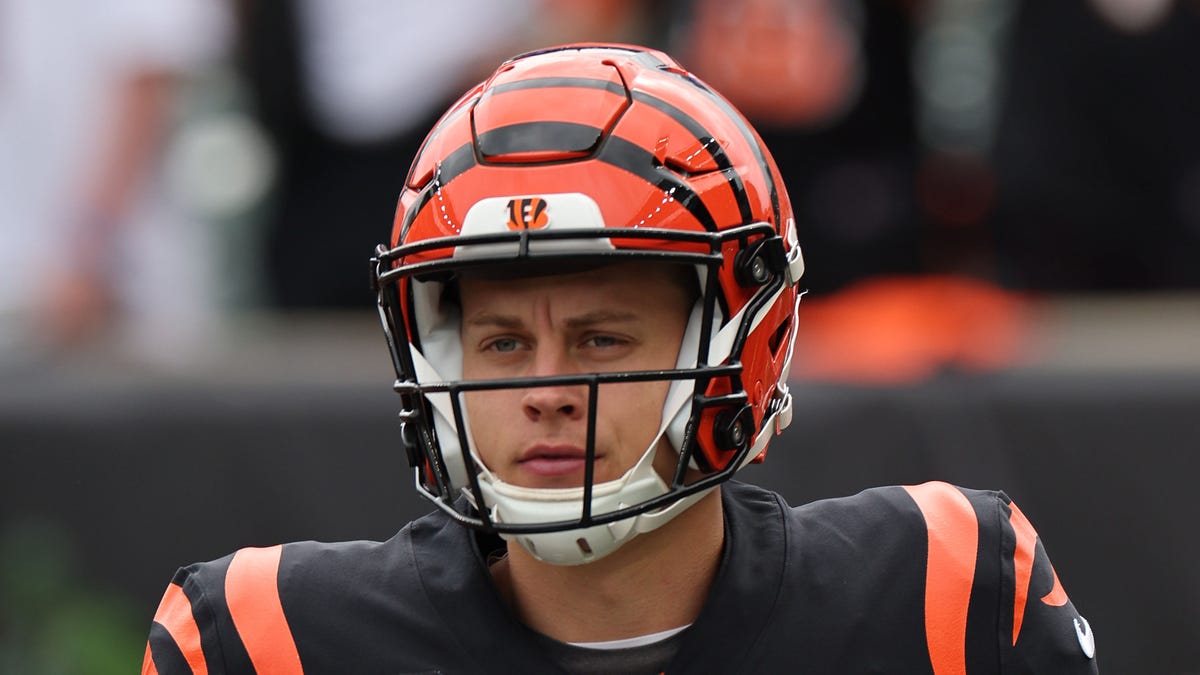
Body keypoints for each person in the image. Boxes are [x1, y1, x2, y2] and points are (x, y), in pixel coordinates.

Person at [142, 44, 1098, 673]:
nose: (548, 390)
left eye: (602, 338)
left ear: (746, 338)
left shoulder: (940, 596)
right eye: (503, 342)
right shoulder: (268, 641)